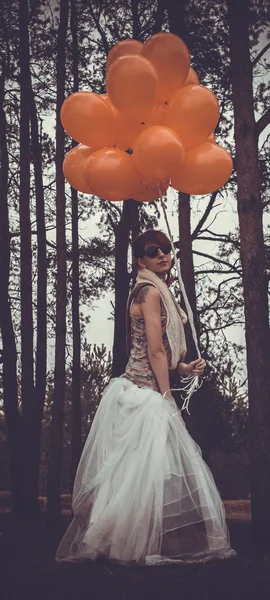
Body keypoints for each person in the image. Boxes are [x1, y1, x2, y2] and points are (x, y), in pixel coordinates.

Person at [56, 229, 236, 566]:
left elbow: (163, 352)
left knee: (137, 475)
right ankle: (121, 543)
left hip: (143, 388)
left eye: (167, 250)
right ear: (141, 260)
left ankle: (121, 544)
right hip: (143, 392)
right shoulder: (150, 291)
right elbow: (153, 350)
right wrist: (167, 398)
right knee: (141, 473)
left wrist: (183, 368)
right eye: (154, 252)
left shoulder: (157, 289)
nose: (163, 256)